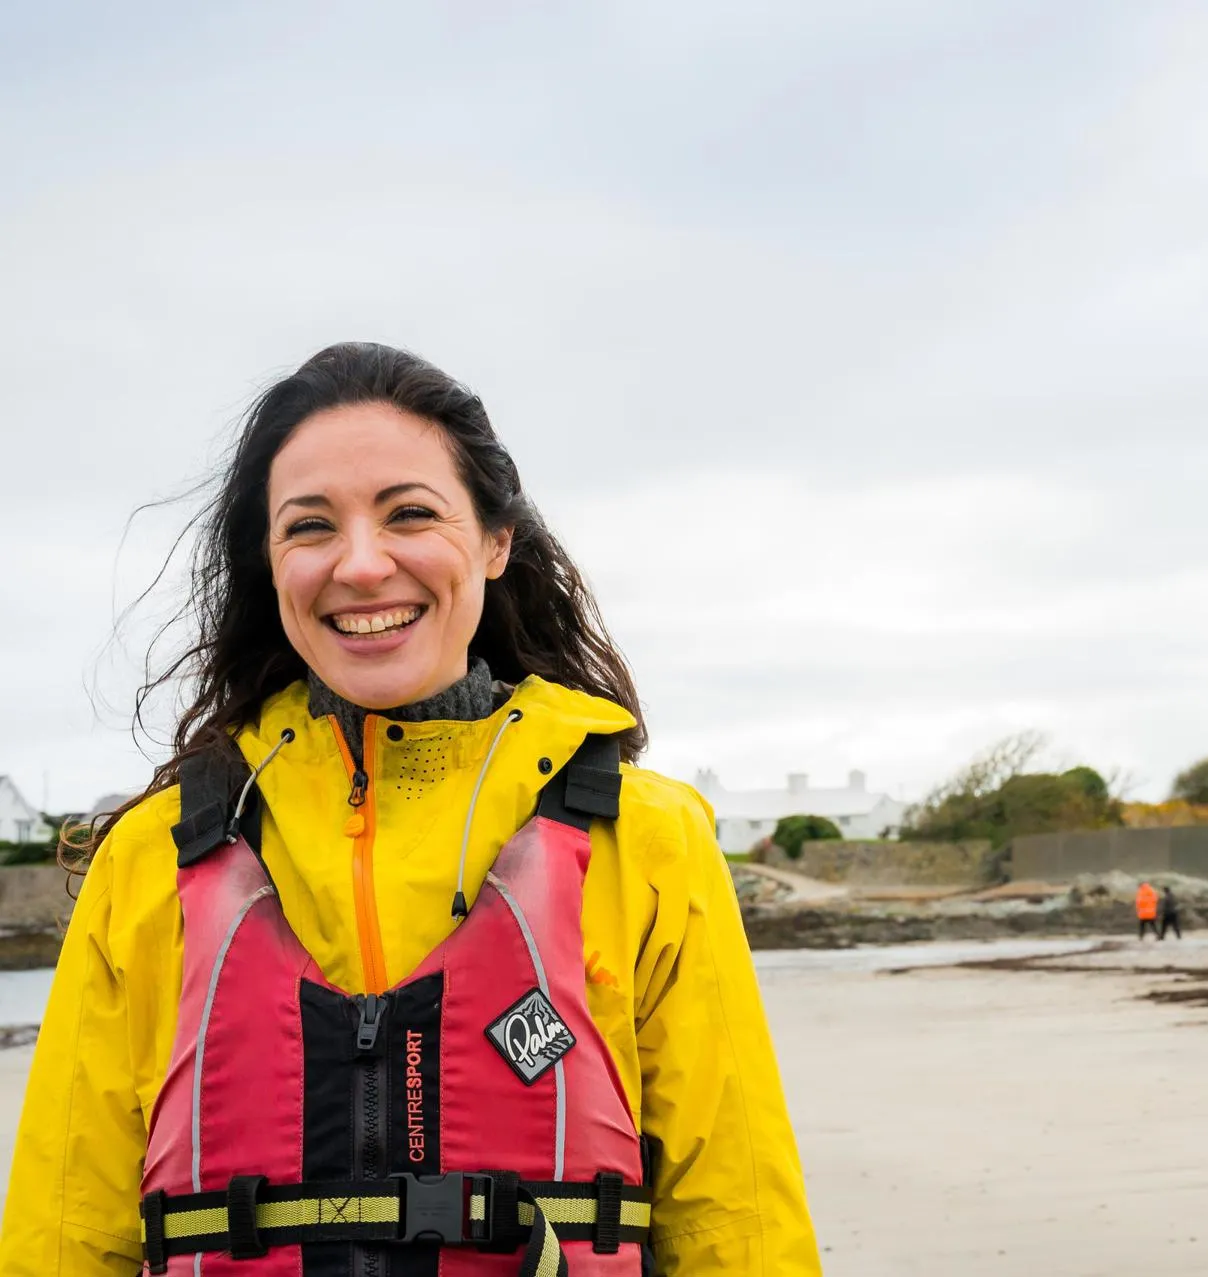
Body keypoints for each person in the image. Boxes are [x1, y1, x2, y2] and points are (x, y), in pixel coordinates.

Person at [0, 343, 820, 1276]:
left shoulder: (647, 840)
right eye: (310, 527)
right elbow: (60, 1234)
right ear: (269, 564)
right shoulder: (152, 857)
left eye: (410, 514)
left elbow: (741, 1226)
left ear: (495, 541)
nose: (360, 565)